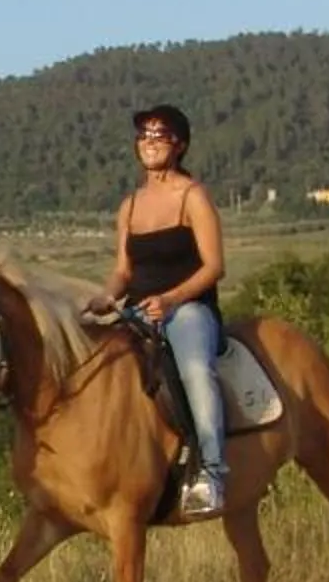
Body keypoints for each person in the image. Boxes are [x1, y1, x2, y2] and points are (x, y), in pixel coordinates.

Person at [88, 102, 231, 521]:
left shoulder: (193, 196)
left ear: (179, 145)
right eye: (144, 135)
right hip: (138, 313)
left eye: (160, 135)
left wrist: (171, 299)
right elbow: (123, 271)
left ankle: (212, 472)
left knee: (195, 372)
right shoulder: (130, 206)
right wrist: (105, 297)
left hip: (188, 310)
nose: (150, 142)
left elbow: (214, 266)